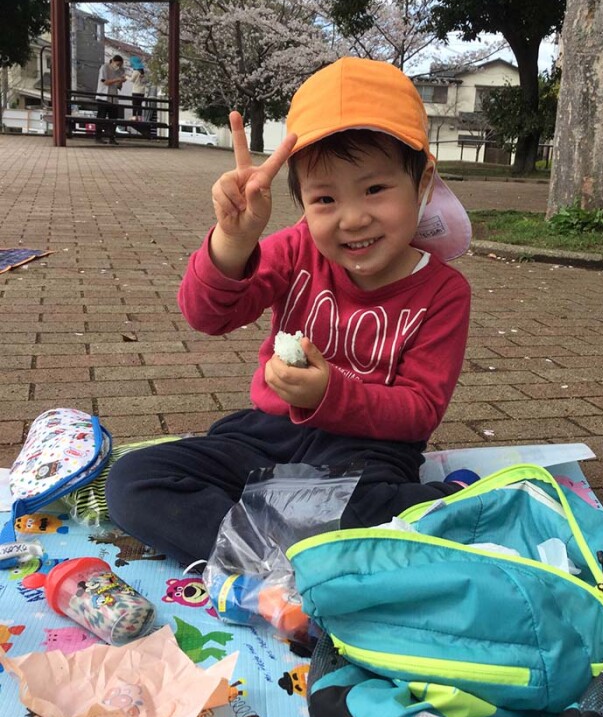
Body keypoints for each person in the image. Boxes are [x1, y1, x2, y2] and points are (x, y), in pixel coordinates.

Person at [105, 57, 472, 565]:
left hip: (366, 453)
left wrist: (330, 394)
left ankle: (284, 535)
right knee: (133, 479)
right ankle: (286, 547)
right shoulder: (297, 249)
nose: (353, 218)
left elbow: (418, 412)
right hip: (266, 437)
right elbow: (207, 316)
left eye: (375, 189)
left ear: (423, 181)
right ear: (300, 202)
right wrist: (233, 241)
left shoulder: (443, 292)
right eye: (325, 199)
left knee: (363, 506)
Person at [95, 54, 126, 144]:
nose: (118, 66)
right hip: (103, 96)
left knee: (113, 118)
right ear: (112, 61)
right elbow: (105, 81)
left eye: (120, 65)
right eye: (117, 64)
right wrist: (117, 79)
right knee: (101, 117)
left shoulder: (121, 70)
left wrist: (121, 81)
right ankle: (98, 137)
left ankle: (112, 137)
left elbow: (119, 86)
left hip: (114, 96)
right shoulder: (105, 67)